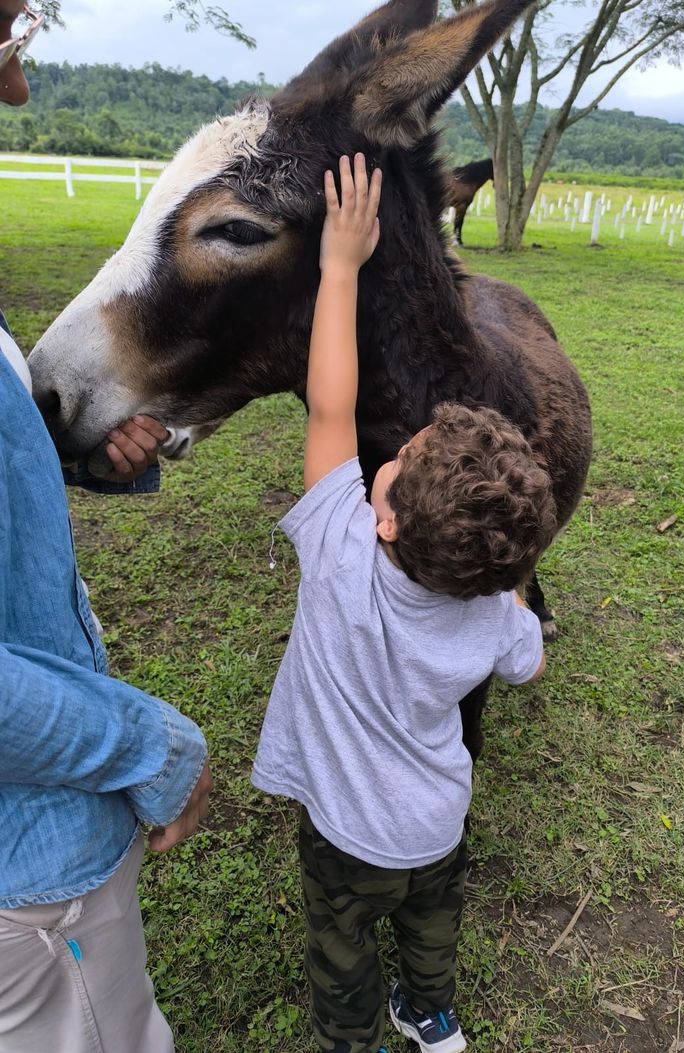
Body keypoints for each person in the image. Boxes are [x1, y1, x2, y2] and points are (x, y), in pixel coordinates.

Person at [252, 154, 550, 1053]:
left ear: (382, 519)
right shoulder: (497, 610)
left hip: (347, 837)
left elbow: (329, 409)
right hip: (436, 825)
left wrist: (338, 266)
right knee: (431, 929)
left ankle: (353, 1036)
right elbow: (529, 658)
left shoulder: (339, 553)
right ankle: (432, 1014)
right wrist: (512, 587)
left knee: (341, 945)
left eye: (396, 456)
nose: (381, 450)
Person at [0, 5, 212, 1052]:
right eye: (3, 43)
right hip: (29, 874)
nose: (18, 91)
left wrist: (84, 464)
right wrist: (154, 745)